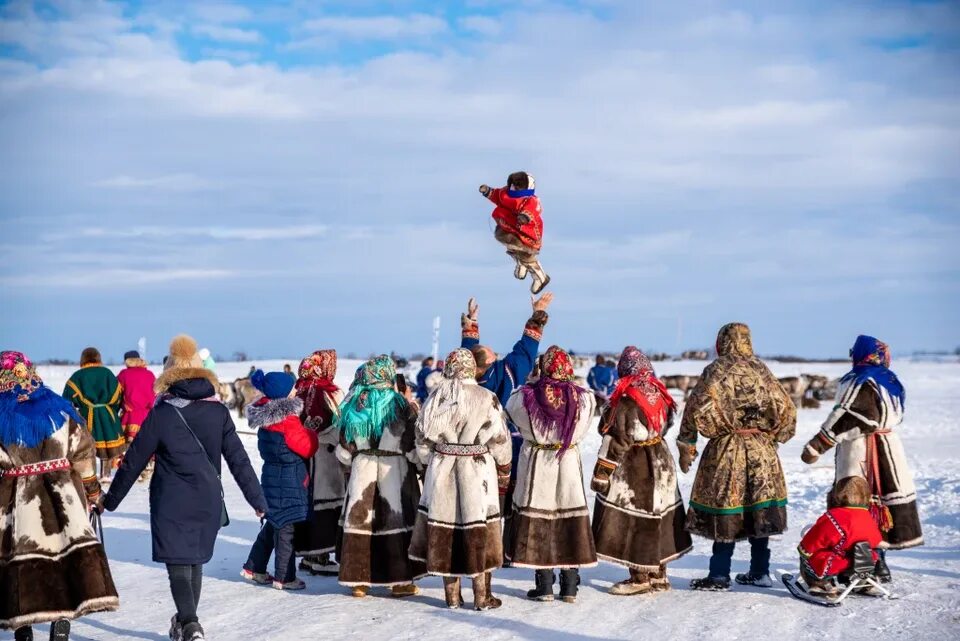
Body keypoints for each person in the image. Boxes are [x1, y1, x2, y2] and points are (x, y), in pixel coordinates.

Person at [99, 335, 267, 641]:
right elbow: (239, 460)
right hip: (207, 500)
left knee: (179, 563)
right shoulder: (218, 412)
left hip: (170, 501)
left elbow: (134, 461)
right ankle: (187, 623)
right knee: (194, 561)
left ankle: (190, 624)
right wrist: (258, 501)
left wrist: (108, 501)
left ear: (171, 375)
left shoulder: (162, 413)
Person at [1, 351, 119, 641]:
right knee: (64, 559)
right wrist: (92, 491)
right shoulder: (60, 410)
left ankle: (24, 629)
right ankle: (62, 620)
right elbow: (83, 455)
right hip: (64, 500)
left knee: (21, 567)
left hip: (19, 505)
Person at [677, 323, 797, 591]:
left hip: (727, 449)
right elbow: (787, 408)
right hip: (761, 449)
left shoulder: (716, 370)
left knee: (726, 507)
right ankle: (759, 571)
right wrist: (775, 436)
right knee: (759, 507)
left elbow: (694, 407)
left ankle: (719, 574)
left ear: (722, 342)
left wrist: (687, 444)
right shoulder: (761, 370)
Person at [801, 335, 923, 581]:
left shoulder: (860, 380)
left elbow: (853, 416)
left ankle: (856, 567)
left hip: (862, 450)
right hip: (888, 446)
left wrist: (818, 444)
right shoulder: (891, 380)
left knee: (855, 505)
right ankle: (879, 564)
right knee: (882, 504)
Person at [409, 349, 513, 610]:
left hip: (442, 467)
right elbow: (500, 438)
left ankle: (452, 597)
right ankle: (482, 596)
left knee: (445, 528)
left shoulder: (436, 397)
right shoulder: (486, 397)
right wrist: (504, 465)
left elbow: (422, 440)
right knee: (480, 527)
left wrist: (429, 461)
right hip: (477, 470)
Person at [591, 346, 693, 595]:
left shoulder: (626, 400)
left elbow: (616, 440)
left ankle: (640, 577)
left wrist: (602, 474)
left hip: (636, 466)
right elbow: (668, 424)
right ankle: (659, 574)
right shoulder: (660, 393)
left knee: (637, 518)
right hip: (661, 458)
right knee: (660, 515)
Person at [504, 346, 598, 603]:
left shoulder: (526, 397)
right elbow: (587, 423)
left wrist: (533, 382)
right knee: (569, 519)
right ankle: (570, 586)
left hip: (538, 462)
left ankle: (544, 585)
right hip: (567, 460)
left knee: (540, 520)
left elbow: (510, 410)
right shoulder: (584, 398)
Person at [460, 293, 552, 536]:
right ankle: (507, 547)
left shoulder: (463, 382)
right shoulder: (502, 375)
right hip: (503, 444)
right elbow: (524, 353)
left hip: (467, 447)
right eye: (493, 355)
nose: (497, 356)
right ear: (489, 364)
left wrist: (470, 327)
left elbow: (468, 359)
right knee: (508, 499)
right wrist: (537, 318)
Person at [335, 355, 425, 597]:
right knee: (394, 523)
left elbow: (343, 452)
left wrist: (356, 457)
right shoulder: (399, 404)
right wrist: (419, 464)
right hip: (393, 471)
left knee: (362, 523)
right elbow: (410, 444)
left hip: (362, 470)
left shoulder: (354, 405)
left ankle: (359, 582)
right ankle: (400, 582)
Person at [242, 370, 319, 590]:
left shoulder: (266, 417)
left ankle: (254, 567)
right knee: (286, 529)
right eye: (293, 388)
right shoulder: (288, 421)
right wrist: (311, 433)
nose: (297, 390)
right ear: (284, 394)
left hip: (271, 478)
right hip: (289, 482)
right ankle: (285, 577)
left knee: (272, 524)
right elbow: (307, 447)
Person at [292, 350, 345, 576]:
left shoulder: (296, 390)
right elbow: (340, 423)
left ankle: (308, 554)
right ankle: (320, 555)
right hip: (325, 455)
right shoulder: (329, 392)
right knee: (326, 502)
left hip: (300, 454)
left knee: (309, 501)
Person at [797, 476, 883, 597]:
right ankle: (862, 582)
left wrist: (804, 550)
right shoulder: (868, 516)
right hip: (865, 562)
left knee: (808, 555)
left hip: (837, 562)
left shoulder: (834, 517)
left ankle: (820, 584)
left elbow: (815, 539)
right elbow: (876, 540)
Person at [479, 171, 549, 294]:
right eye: (512, 185)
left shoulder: (530, 200)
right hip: (509, 226)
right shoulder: (506, 193)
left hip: (526, 231)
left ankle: (540, 276)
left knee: (526, 253)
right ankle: (520, 263)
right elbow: (497, 195)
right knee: (512, 246)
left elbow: (533, 210)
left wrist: (525, 216)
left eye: (517, 186)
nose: (513, 188)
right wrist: (488, 191)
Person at [63, 347, 125, 482]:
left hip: (87, 414)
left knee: (88, 445)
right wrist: (112, 410)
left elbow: (66, 400)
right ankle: (106, 473)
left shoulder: (77, 376)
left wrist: (77, 412)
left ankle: (89, 476)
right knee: (107, 443)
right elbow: (118, 395)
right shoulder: (107, 373)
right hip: (108, 414)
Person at [116, 350, 156, 482]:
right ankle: (148, 466)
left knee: (130, 445)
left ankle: (133, 470)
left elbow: (116, 395)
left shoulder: (123, 375)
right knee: (147, 442)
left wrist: (122, 404)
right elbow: (154, 396)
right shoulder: (149, 375)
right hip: (147, 415)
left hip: (130, 416)